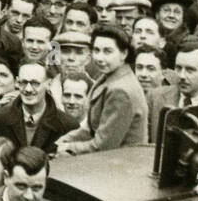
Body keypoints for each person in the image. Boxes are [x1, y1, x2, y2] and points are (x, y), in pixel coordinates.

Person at [54, 25, 148, 155]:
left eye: (107, 51)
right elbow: (90, 129)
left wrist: (68, 147)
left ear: (124, 53)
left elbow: (103, 146)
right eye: (96, 50)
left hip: (120, 164)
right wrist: (61, 142)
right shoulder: (110, 76)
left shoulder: (121, 91)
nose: (99, 58)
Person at [0, 61, 79, 153]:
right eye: (23, 82)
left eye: (35, 83)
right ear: (17, 82)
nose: (28, 89)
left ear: (49, 84)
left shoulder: (67, 125)